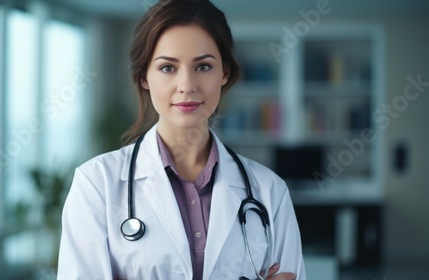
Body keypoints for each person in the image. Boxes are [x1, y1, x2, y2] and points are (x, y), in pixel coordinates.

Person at [57, 0, 306, 279]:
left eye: (203, 67)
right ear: (144, 77)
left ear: (224, 73)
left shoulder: (269, 191)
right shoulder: (96, 185)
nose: (186, 86)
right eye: (167, 68)